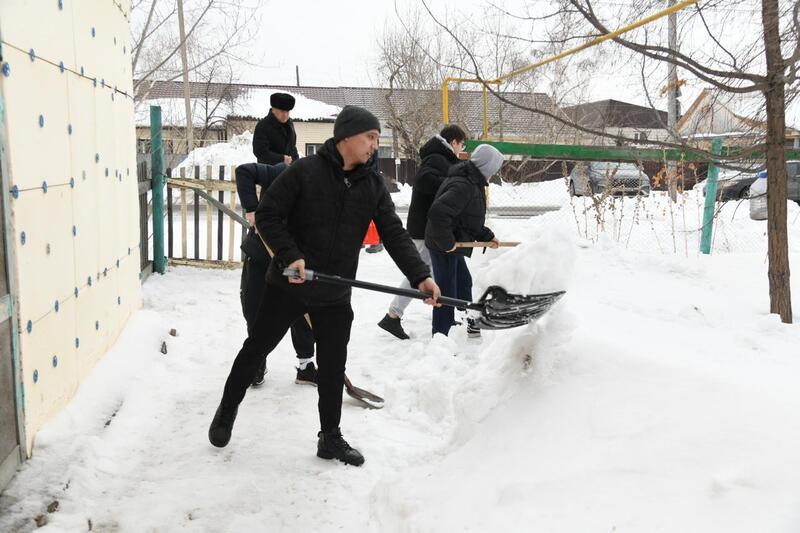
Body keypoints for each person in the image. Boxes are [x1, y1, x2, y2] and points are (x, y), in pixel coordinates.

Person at [209, 106, 441, 466]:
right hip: (290, 283)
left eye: (377, 139)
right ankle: (227, 409)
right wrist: (291, 255)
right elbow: (268, 214)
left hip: (334, 291)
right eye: (370, 137)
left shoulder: (372, 184)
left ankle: (329, 438)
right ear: (346, 136)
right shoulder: (305, 171)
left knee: (333, 367)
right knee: (257, 347)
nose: (374, 145)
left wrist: (420, 276)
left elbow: (393, 233)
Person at [378, 125, 467, 340]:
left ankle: (443, 314)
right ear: (454, 142)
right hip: (424, 227)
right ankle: (393, 315)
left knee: (428, 272)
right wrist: (450, 184)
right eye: (462, 144)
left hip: (429, 227)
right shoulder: (437, 157)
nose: (461, 149)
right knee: (419, 272)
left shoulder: (439, 156)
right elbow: (425, 180)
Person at [235, 162, 317, 387]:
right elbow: (244, 171)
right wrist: (252, 209)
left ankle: (306, 367)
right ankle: (257, 359)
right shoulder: (283, 172)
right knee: (255, 309)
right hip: (262, 255)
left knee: (302, 311)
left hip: (295, 259)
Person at [425, 144, 504, 337]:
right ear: (486, 167)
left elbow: (467, 219)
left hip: (452, 242)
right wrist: (446, 243)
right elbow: (438, 213)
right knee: (446, 291)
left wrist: (487, 236)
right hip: (443, 244)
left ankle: (469, 322)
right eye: (494, 169)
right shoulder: (464, 185)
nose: (494, 174)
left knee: (463, 283)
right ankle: (440, 336)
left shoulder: (472, 182)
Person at [253, 92, 300, 165]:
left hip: (288, 172)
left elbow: (293, 148)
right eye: (282, 111)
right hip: (268, 171)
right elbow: (260, 152)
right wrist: (281, 159)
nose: (285, 115)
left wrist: (297, 164)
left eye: (287, 112)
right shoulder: (263, 126)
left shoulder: (290, 125)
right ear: (273, 109)